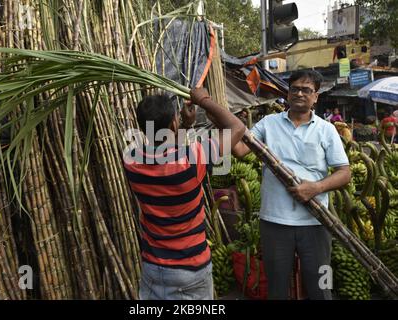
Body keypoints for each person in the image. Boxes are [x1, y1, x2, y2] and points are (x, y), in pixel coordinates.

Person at [231, 70, 351, 300]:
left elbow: (344, 173)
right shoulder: (268, 123)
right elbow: (240, 150)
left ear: (316, 96)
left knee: (321, 286)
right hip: (275, 222)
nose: (299, 93)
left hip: (316, 222)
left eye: (306, 90)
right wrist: (221, 118)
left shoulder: (326, 129)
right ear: (287, 93)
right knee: (276, 288)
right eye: (294, 88)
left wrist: (315, 188)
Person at [123, 88, 245, 300]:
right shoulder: (193, 158)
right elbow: (238, 127)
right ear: (173, 124)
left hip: (153, 267)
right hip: (191, 269)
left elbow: (167, 155)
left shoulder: (132, 160)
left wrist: (185, 125)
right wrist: (204, 100)